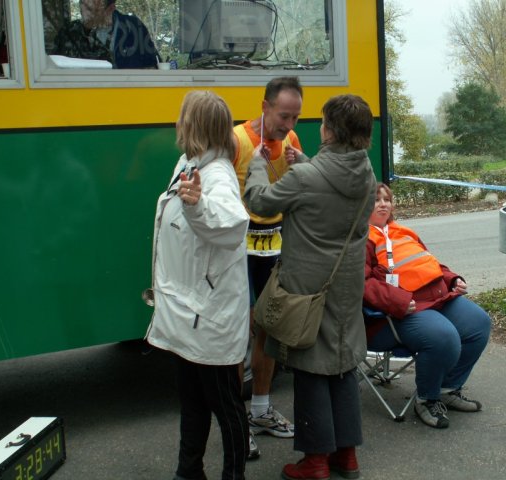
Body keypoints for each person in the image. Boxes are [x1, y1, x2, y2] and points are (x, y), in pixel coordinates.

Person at [244, 94, 376, 480]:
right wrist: (304, 164)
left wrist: (256, 166)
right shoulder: (365, 172)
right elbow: (331, 182)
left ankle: (316, 460)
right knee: (343, 360)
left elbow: (260, 202)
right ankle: (346, 455)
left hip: (307, 286)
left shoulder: (305, 179)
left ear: (330, 131)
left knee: (311, 366)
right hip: (347, 283)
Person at [145, 90, 250, 480]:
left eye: (182, 116)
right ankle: (188, 472)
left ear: (194, 126)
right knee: (192, 402)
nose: (177, 121)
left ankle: (233, 476)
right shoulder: (188, 163)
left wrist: (197, 207)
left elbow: (230, 225)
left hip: (209, 321)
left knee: (227, 407)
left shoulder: (217, 177)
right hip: (190, 316)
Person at [363, 182, 491, 430]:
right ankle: (427, 398)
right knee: (444, 337)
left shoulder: (403, 232)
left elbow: (428, 263)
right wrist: (398, 301)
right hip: (395, 313)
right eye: (375, 200)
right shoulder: (361, 238)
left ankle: (448, 388)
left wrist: (451, 278)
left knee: (479, 324)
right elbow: (362, 283)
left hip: (435, 298)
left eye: (387, 199)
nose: (383, 204)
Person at [233, 76, 302, 459]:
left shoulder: (292, 142)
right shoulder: (237, 139)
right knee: (237, 335)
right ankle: (235, 422)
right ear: (264, 106)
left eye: (295, 117)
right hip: (239, 248)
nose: (289, 125)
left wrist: (299, 166)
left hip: (274, 245)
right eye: (283, 116)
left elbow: (296, 192)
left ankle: (260, 410)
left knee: (269, 329)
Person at [52, 0, 159, 68]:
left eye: (90, 8)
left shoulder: (134, 28)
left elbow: (155, 67)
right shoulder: (68, 32)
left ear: (110, 8)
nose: (83, 11)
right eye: (82, 3)